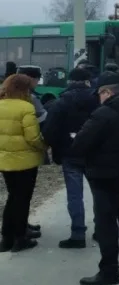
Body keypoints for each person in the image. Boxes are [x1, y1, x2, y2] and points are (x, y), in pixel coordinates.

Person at [69, 72, 119, 285]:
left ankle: (109, 271)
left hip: (104, 176)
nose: (98, 98)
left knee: (106, 224)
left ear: (107, 92)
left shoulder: (103, 114)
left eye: (99, 94)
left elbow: (80, 144)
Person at [43, 68, 100, 248]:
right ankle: (102, 230)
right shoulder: (98, 101)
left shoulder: (60, 103)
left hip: (70, 155)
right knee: (99, 194)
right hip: (95, 154)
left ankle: (77, 234)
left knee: (74, 195)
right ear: (88, 81)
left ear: (69, 81)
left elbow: (49, 131)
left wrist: (59, 147)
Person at [0, 74, 47, 252]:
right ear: (24, 89)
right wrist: (43, 146)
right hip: (25, 162)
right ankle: (20, 239)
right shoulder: (26, 108)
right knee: (22, 200)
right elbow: (33, 137)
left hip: (5, 161)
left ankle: (6, 239)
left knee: (12, 197)